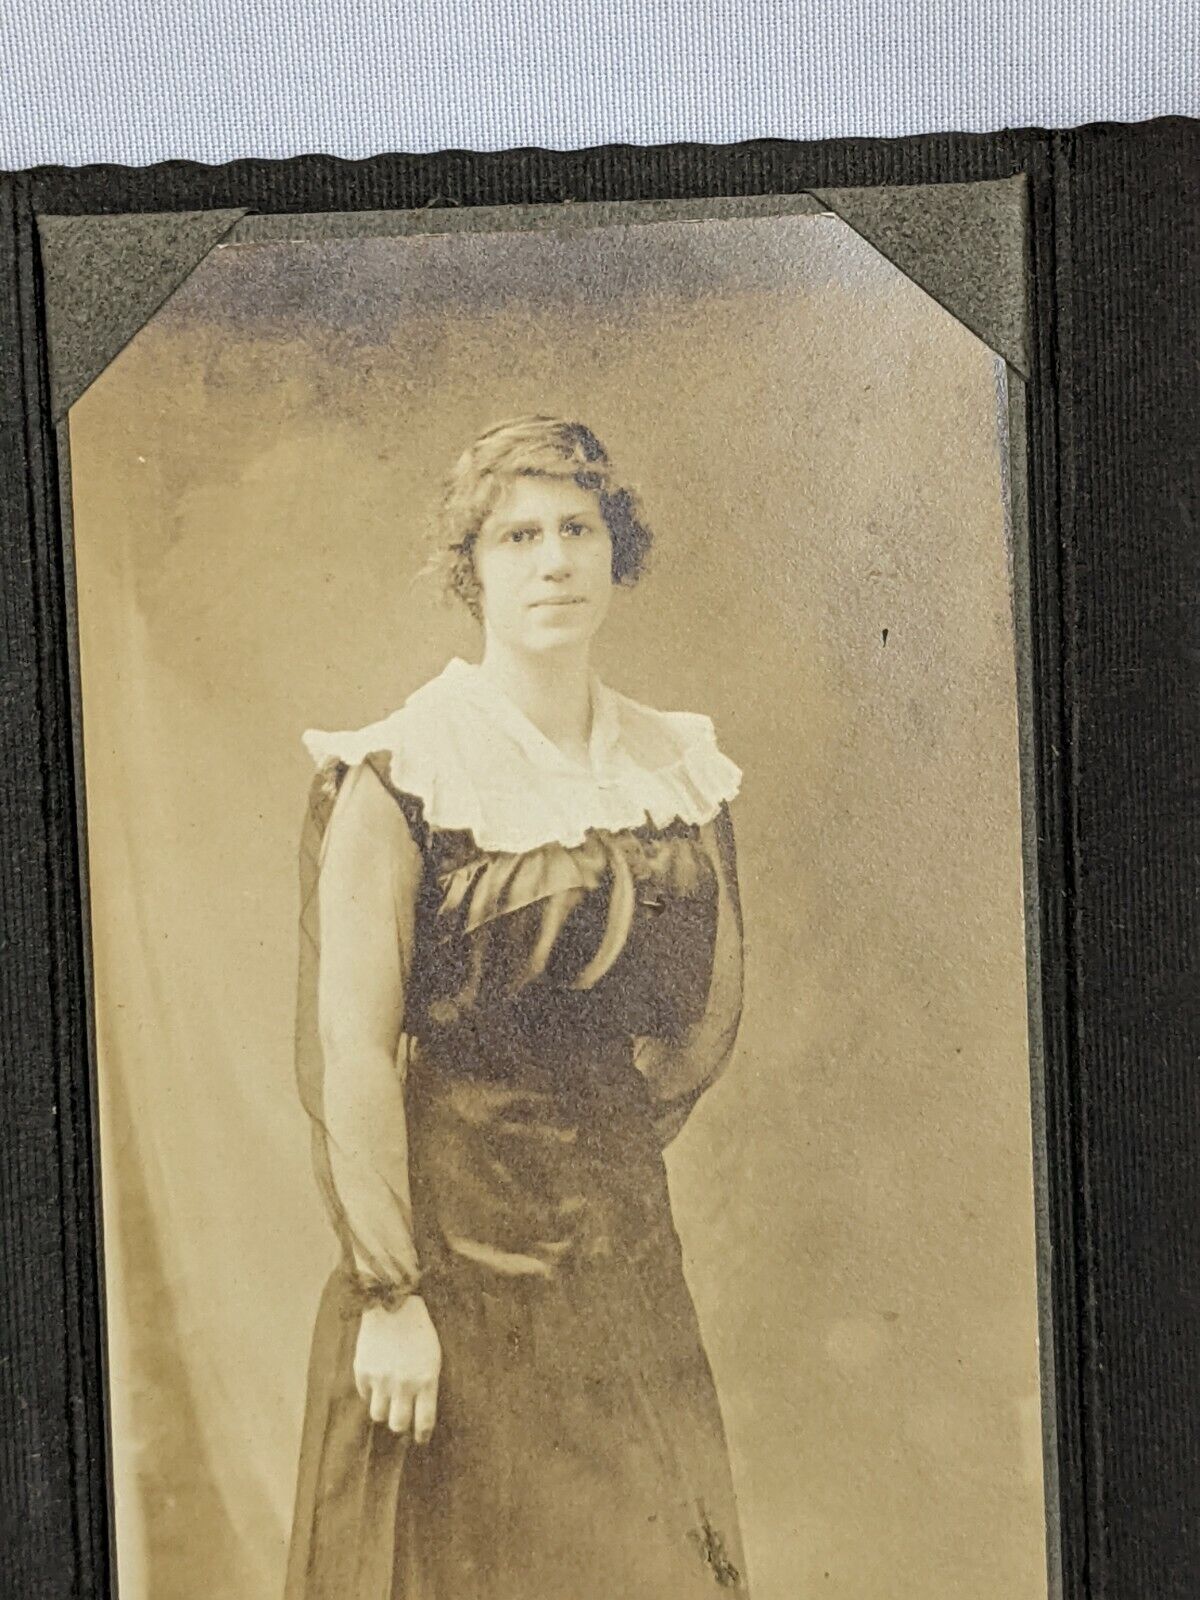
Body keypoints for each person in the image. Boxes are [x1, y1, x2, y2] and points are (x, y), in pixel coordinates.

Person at [283, 416, 749, 1598]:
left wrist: (601, 1145)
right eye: (519, 535)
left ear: (613, 552)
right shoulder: (400, 773)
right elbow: (349, 1050)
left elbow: (704, 1017)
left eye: (579, 530)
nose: (553, 562)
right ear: (471, 567)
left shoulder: (675, 767)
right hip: (452, 1260)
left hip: (621, 1254)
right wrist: (392, 1294)